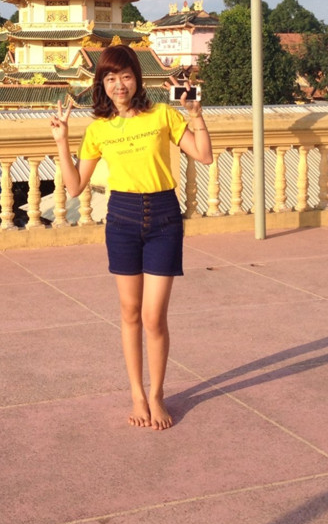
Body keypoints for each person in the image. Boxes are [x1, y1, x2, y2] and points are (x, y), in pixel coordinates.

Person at [50, 45, 213, 430]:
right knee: (130, 312)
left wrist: (196, 116)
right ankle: (138, 394)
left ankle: (157, 394)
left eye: (125, 76)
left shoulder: (162, 115)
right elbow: (75, 187)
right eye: (110, 78)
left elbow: (203, 156)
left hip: (163, 217)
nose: (119, 85)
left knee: (154, 317)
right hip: (122, 218)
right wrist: (61, 140)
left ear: (137, 79)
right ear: (102, 84)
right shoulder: (98, 130)